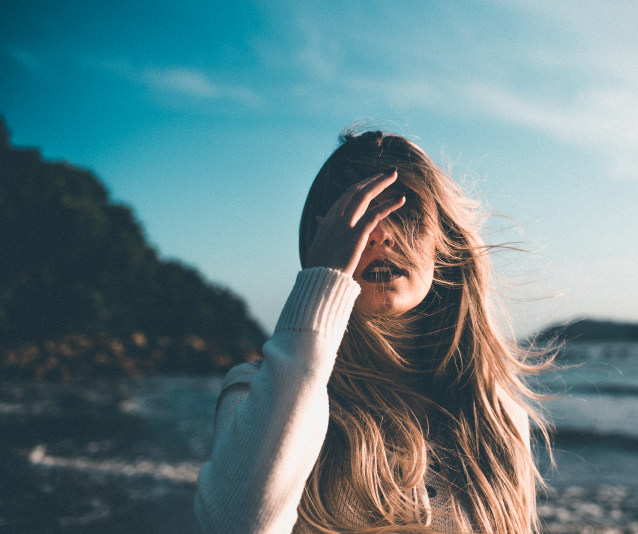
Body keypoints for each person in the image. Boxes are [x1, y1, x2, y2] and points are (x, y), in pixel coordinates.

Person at [194, 130, 553, 533]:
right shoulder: (255, 394)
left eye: (407, 212)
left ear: (443, 241)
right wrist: (322, 282)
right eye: (355, 216)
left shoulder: (495, 409)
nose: (382, 233)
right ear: (321, 241)